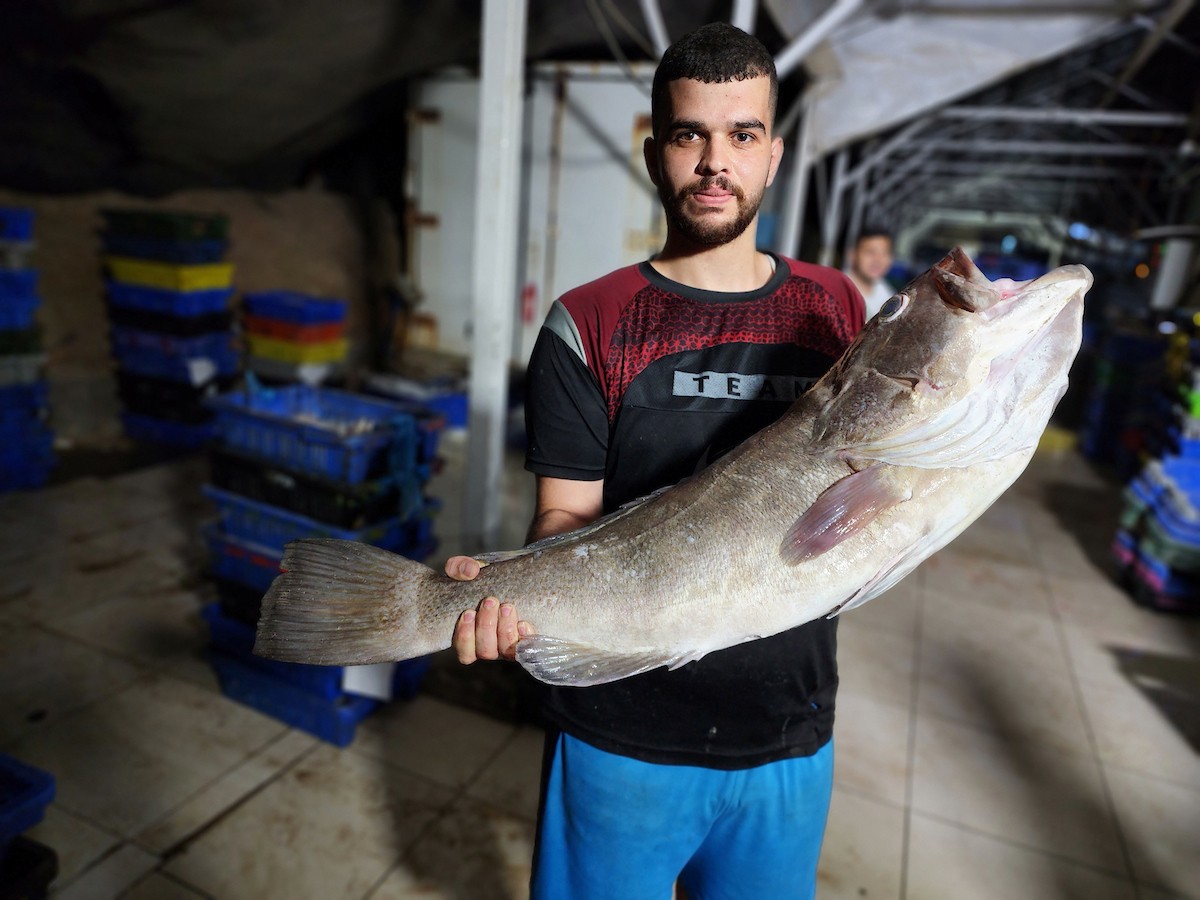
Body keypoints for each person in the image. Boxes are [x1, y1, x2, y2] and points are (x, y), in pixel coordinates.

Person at [445, 22, 863, 900]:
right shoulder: (588, 321)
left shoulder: (836, 310)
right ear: (655, 153)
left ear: (774, 154)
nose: (716, 162)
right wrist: (513, 594)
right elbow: (565, 517)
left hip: (788, 730)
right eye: (690, 135)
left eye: (742, 135)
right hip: (619, 735)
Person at [845, 228, 895, 319]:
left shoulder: (887, 294)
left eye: (884, 253)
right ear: (852, 255)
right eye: (870, 252)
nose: (878, 260)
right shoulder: (839, 290)